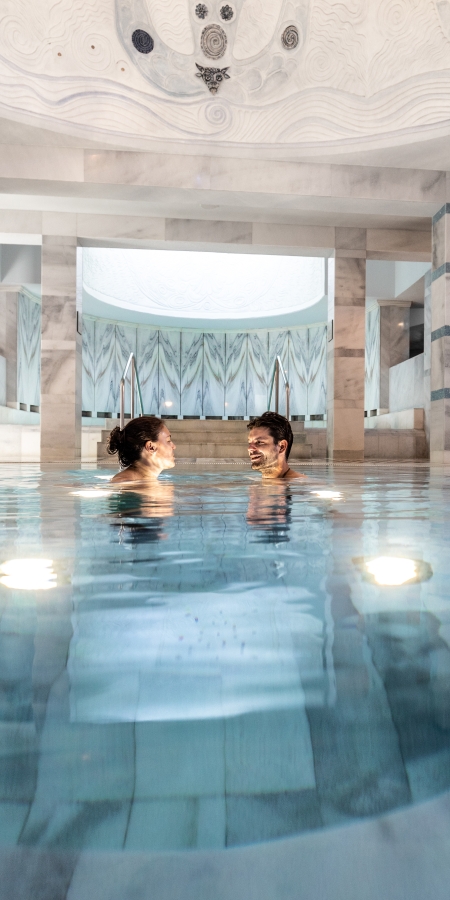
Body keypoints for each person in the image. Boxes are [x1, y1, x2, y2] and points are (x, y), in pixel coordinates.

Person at [107, 416, 176, 483]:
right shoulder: (125, 484)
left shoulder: (144, 483)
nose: (174, 446)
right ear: (151, 447)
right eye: (168, 440)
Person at [247, 411, 306, 479]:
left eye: (259, 442)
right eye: (250, 443)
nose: (250, 448)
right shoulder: (256, 482)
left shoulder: (299, 485)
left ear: (282, 447)